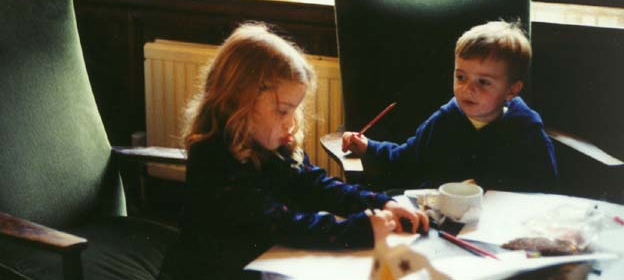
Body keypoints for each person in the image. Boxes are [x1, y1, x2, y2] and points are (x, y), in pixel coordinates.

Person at [160, 22, 428, 280]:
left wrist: (382, 203)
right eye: (282, 111)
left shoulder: (273, 144)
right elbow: (280, 223)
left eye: (294, 109)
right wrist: (357, 230)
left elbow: (316, 185)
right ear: (239, 102)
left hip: (269, 262)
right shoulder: (213, 158)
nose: (291, 121)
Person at [342, 20, 558, 192]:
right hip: (439, 218)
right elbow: (406, 159)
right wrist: (369, 147)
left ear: (512, 90)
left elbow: (544, 187)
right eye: (461, 77)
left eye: (483, 82)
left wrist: (482, 186)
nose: (468, 89)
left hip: (498, 226)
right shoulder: (446, 119)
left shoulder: (526, 131)